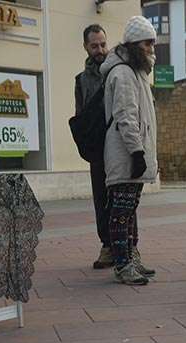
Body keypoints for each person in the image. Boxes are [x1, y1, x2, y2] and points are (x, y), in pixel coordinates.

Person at [101, 16, 159, 285]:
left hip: (132, 155)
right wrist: (137, 152)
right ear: (136, 43)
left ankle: (131, 258)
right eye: (148, 43)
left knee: (129, 209)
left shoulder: (136, 72)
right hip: (125, 154)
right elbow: (125, 116)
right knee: (121, 211)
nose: (151, 48)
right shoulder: (122, 73)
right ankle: (123, 265)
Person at [75, 24, 112, 270]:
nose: (100, 50)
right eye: (94, 45)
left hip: (120, 143)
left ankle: (129, 246)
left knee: (124, 197)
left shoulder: (118, 71)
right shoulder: (81, 80)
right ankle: (107, 245)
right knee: (101, 198)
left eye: (102, 44)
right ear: (86, 47)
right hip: (97, 147)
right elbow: (80, 115)